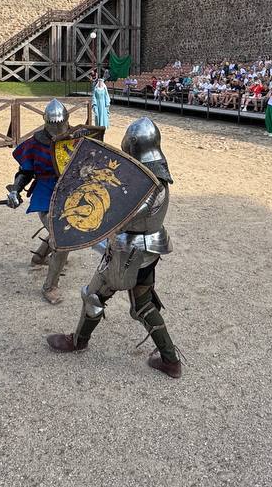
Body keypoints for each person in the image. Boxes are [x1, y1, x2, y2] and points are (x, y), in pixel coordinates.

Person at [46, 118, 182, 378]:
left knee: (93, 295)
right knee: (142, 304)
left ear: (132, 145)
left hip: (126, 251)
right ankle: (170, 360)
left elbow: (117, 215)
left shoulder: (146, 184)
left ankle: (78, 340)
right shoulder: (158, 174)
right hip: (149, 250)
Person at [6, 99, 83, 304]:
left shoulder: (77, 139)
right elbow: (25, 172)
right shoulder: (35, 144)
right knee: (61, 239)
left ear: (67, 121)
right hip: (45, 193)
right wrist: (15, 190)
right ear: (46, 122)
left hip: (68, 193)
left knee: (59, 230)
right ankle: (50, 287)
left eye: (61, 125)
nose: (58, 129)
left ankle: (39, 258)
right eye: (54, 125)